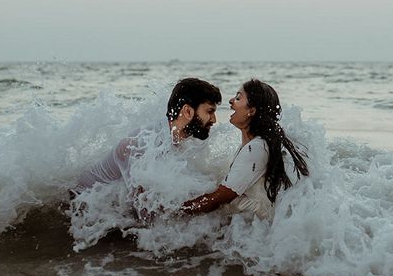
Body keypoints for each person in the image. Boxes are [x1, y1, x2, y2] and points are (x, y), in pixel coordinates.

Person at [70, 77, 221, 197]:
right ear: (187, 111)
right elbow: (144, 214)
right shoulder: (142, 145)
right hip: (82, 205)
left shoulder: (180, 140)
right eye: (209, 111)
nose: (214, 119)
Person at [181, 79, 309, 220]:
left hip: (253, 232)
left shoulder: (256, 148)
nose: (231, 101)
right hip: (250, 229)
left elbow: (219, 198)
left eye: (238, 98)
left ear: (251, 110)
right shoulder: (256, 145)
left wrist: (177, 211)